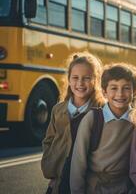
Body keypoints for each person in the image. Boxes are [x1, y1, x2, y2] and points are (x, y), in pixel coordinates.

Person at [70, 63, 136, 194]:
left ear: (134, 91)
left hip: (126, 188)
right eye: (113, 88)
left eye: (126, 88)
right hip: (95, 188)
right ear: (104, 91)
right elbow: (78, 164)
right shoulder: (93, 119)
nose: (120, 94)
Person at [41, 52, 104, 194]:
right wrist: (51, 168)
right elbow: (49, 140)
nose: (80, 83)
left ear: (96, 80)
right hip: (58, 180)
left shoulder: (101, 110)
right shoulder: (58, 109)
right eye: (75, 78)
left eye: (86, 78)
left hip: (88, 182)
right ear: (68, 80)